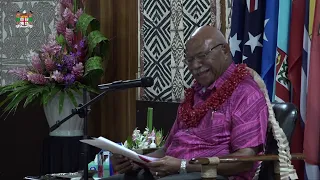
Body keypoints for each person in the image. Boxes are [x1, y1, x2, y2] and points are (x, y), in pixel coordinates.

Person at [104, 25, 268, 180]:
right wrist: (136, 161)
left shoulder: (246, 93)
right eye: (190, 60)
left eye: (202, 56)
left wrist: (183, 166)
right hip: (173, 174)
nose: (195, 66)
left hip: (209, 176)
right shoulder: (194, 95)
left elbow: (245, 160)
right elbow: (165, 150)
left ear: (224, 50)